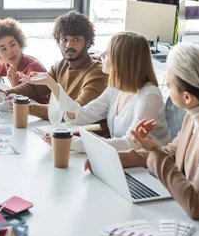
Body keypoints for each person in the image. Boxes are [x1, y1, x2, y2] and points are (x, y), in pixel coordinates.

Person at [116, 43, 199, 219]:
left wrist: (154, 151)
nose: (167, 89)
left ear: (187, 97)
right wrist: (113, 159)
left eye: (169, 86)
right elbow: (171, 154)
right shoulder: (197, 113)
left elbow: (196, 205)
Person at [24, 31, 170, 151]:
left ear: (121, 61)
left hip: (148, 171)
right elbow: (81, 115)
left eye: (107, 53)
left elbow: (132, 143)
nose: (101, 56)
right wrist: (53, 85)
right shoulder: (116, 89)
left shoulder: (149, 96)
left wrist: (74, 143)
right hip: (123, 161)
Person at [0, 11, 108, 121]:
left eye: (76, 39)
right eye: (64, 40)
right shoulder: (62, 65)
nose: (69, 45)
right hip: (64, 130)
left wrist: (29, 108)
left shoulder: (97, 74)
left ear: (88, 42)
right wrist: (5, 93)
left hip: (87, 134)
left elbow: (74, 114)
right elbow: (36, 88)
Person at [0, 18, 49, 103]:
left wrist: (15, 83)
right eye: (3, 49)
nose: (10, 52)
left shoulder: (34, 67)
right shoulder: (6, 64)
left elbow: (38, 102)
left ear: (19, 43)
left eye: (13, 45)